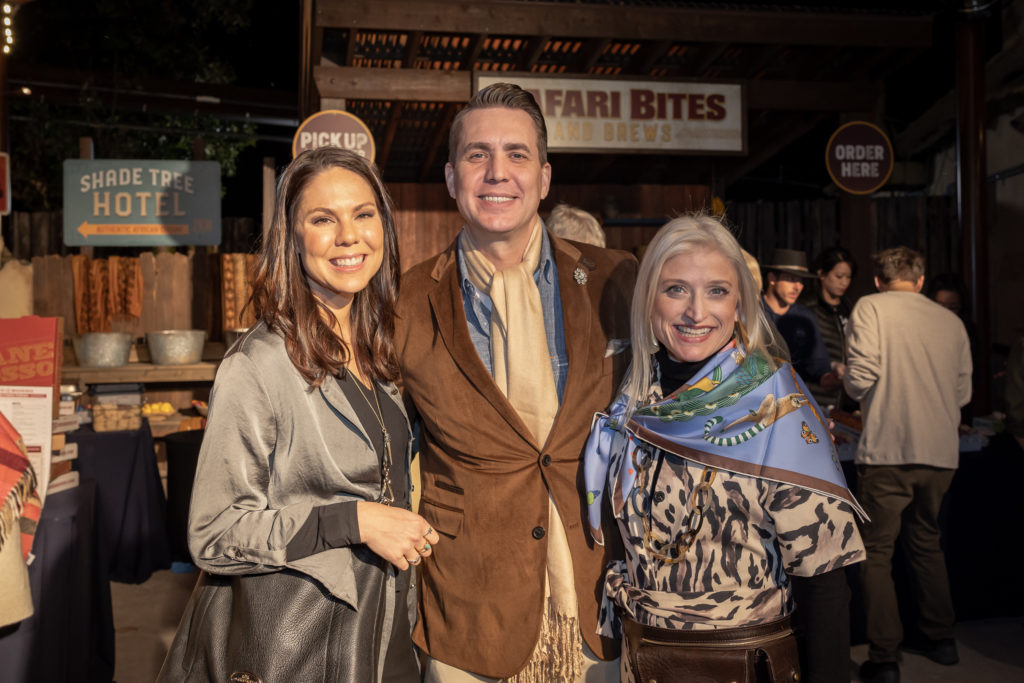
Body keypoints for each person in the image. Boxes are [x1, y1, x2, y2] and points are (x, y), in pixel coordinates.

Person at [158, 148, 438, 683]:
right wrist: (351, 519)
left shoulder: (381, 350)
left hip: (386, 631)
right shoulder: (258, 364)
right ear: (293, 236)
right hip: (300, 647)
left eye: (363, 214)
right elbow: (213, 533)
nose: (348, 236)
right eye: (323, 219)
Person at [395, 82, 637, 682]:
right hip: (467, 603)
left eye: (516, 154)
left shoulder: (617, 279)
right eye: (477, 155)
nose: (497, 172)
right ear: (452, 179)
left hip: (598, 593)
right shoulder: (404, 301)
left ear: (546, 177)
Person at [585, 215, 866, 683]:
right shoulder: (631, 397)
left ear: (740, 303)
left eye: (716, 291)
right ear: (649, 299)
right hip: (644, 660)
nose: (697, 312)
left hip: (743, 664)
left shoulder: (777, 408)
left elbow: (825, 585)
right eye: (676, 289)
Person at [844, 247, 972, 683]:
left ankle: (884, 659)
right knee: (927, 542)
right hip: (940, 454)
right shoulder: (949, 320)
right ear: (919, 281)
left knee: (876, 552)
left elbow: (861, 377)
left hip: (889, 450)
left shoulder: (870, 307)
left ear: (879, 281)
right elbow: (962, 395)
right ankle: (942, 639)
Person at [803, 246, 857, 411]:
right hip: (813, 395)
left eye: (848, 277)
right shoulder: (807, 308)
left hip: (843, 401)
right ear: (821, 274)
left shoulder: (850, 309)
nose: (844, 282)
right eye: (839, 276)